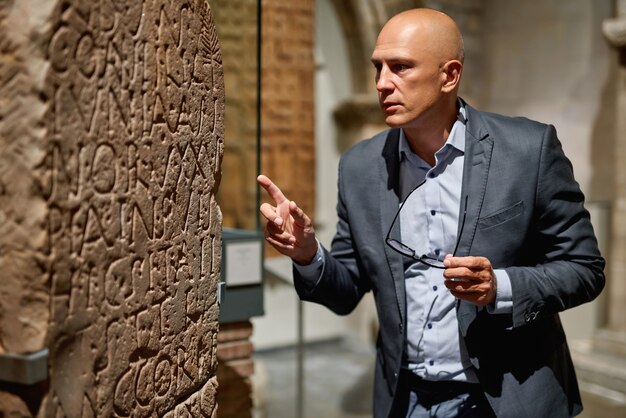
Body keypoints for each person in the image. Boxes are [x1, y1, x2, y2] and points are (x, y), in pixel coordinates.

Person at [257, 8, 605, 418]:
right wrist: (306, 254)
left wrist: (501, 286)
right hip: (407, 400)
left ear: (449, 75)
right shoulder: (360, 167)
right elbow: (347, 289)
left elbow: (585, 269)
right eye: (377, 68)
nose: (382, 83)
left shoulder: (528, 150)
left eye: (400, 67)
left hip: (508, 397)